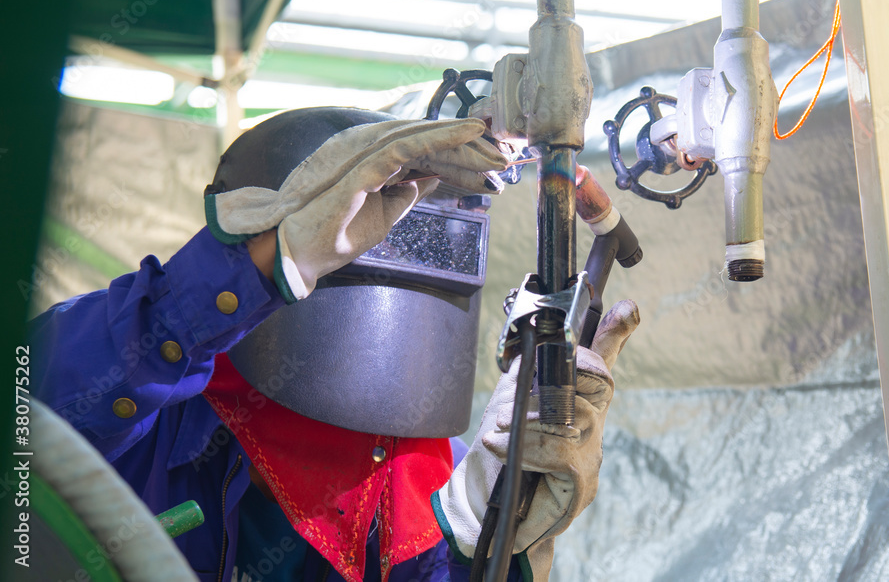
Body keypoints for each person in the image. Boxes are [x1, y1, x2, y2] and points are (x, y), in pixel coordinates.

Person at [31, 107, 640, 582]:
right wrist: (254, 269)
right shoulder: (151, 417)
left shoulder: (429, 479)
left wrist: (487, 540)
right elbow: (34, 409)